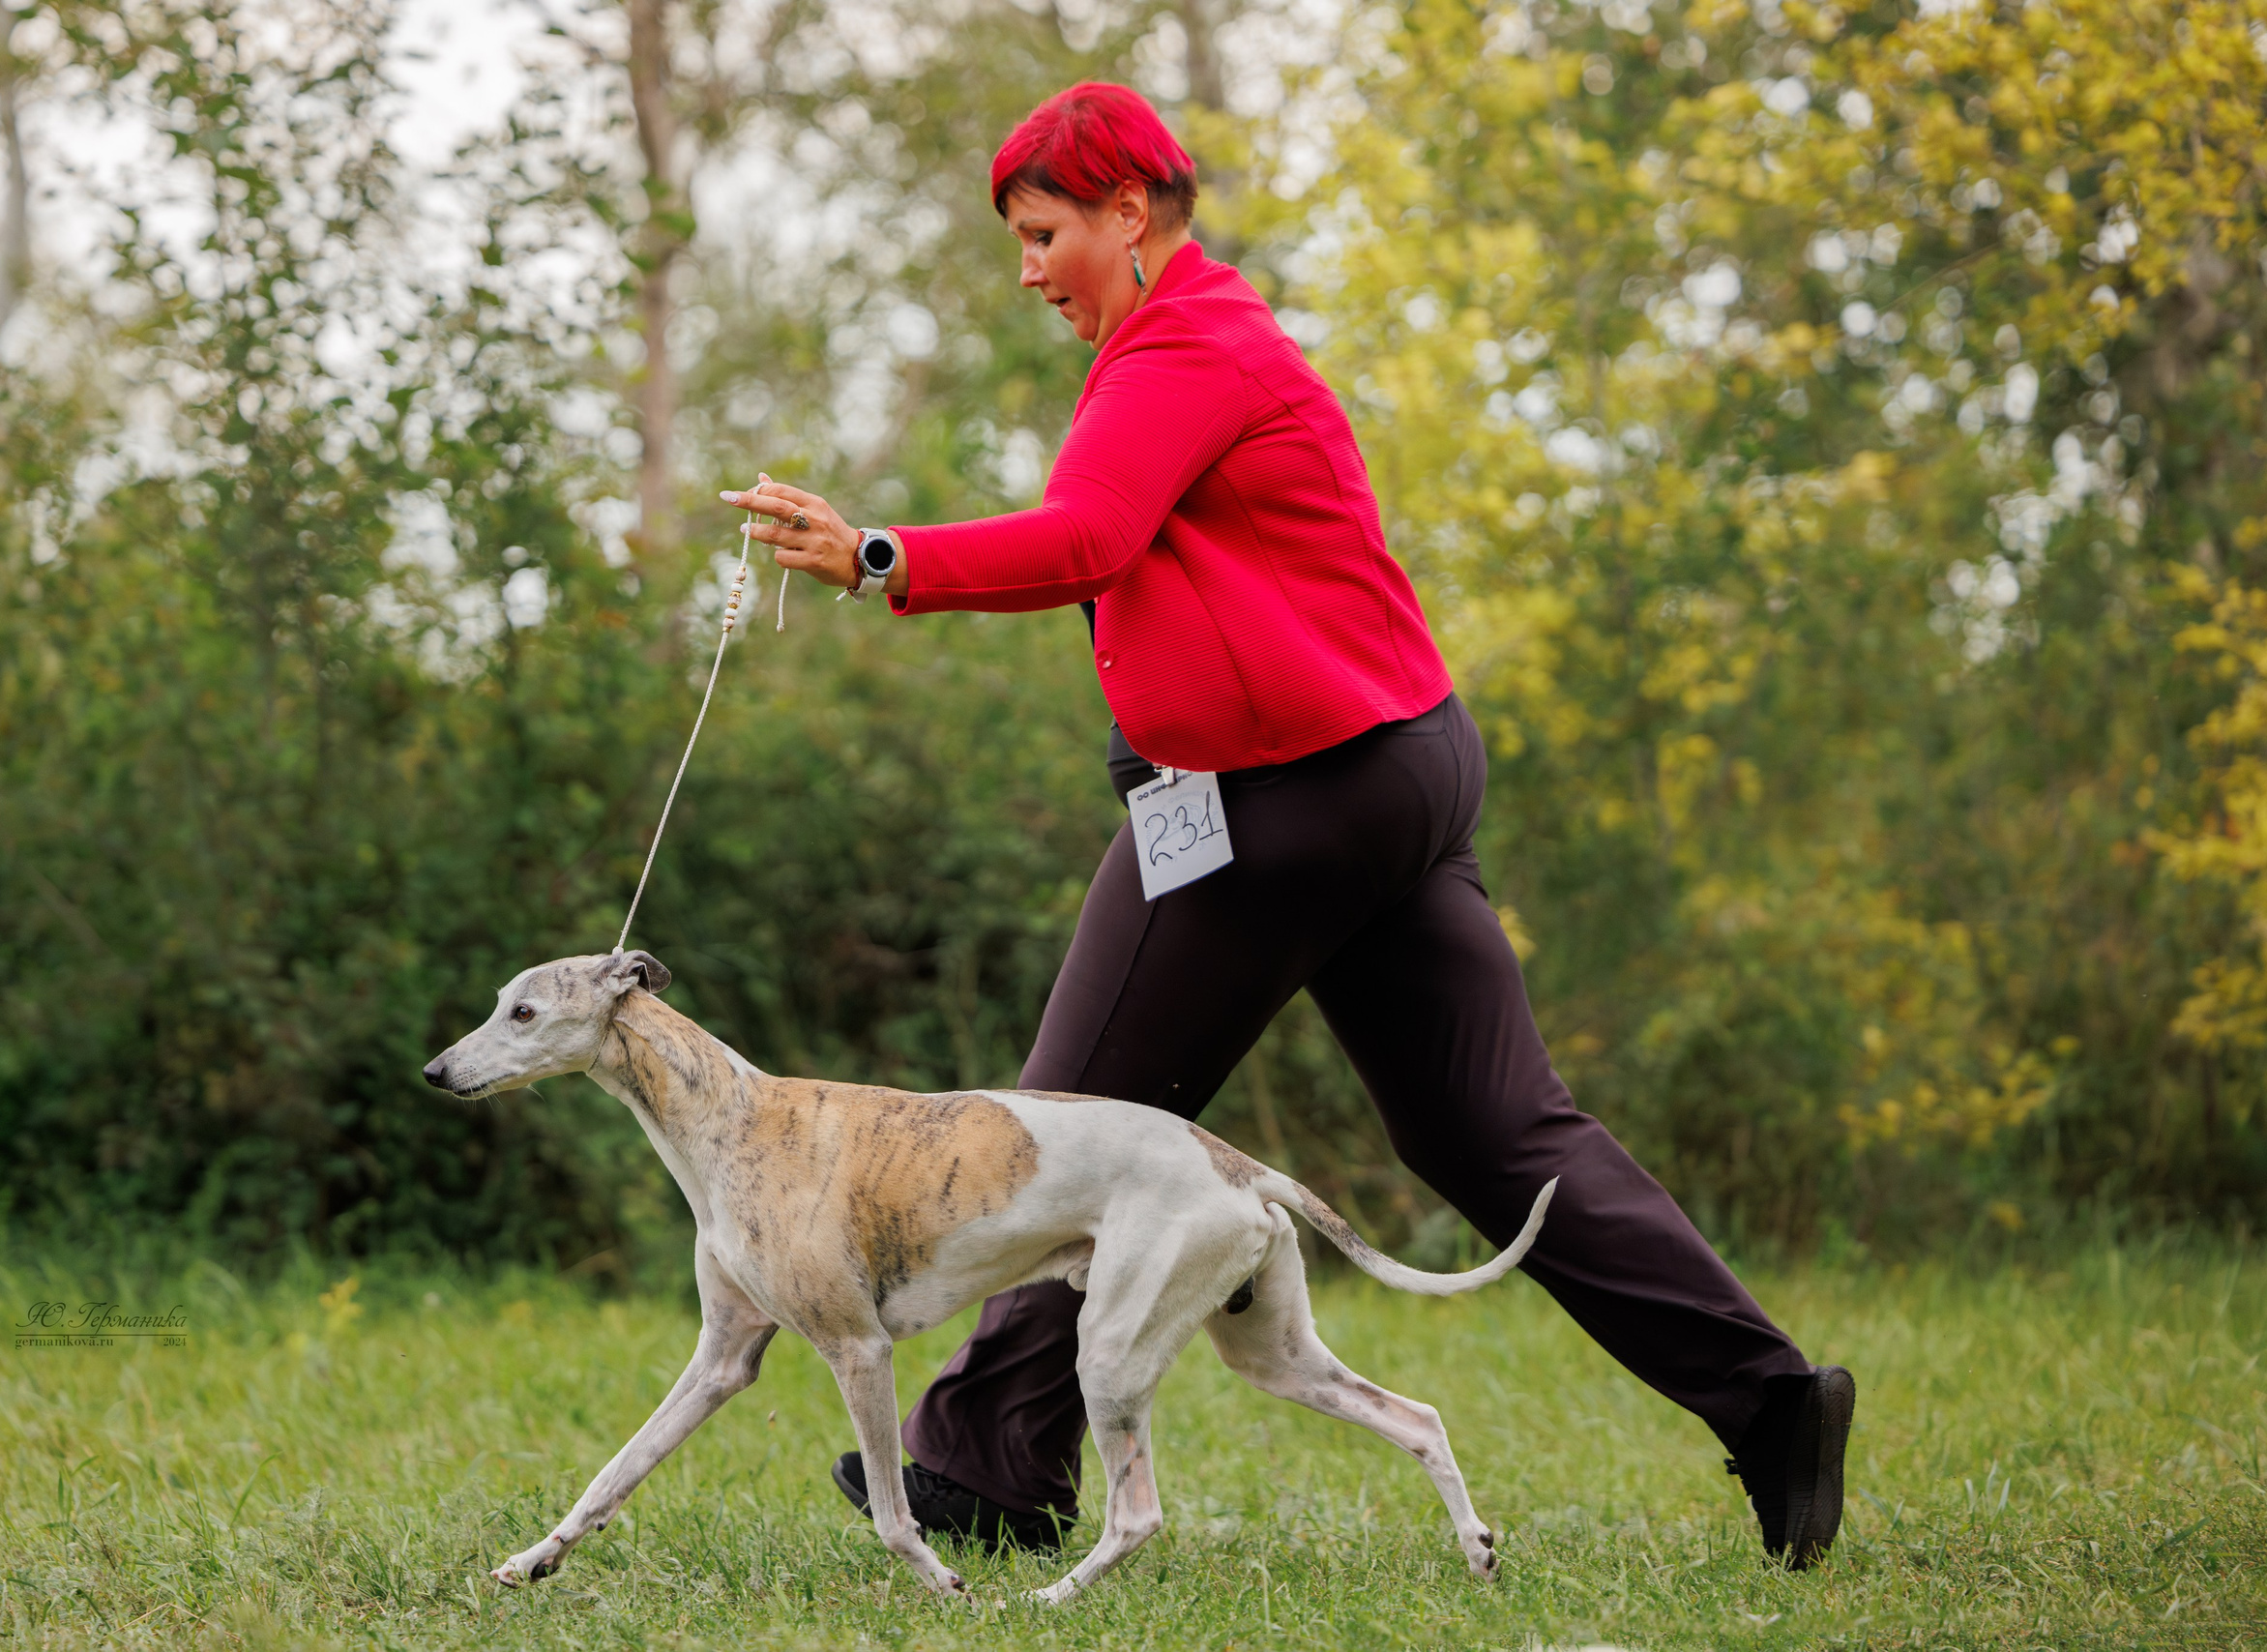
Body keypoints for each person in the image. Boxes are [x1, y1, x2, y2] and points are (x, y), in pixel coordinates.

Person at [726, 81, 1855, 1569]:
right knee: (1494, 1129)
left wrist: (881, 554)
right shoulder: (1208, 334)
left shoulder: (1178, 349)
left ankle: (989, 1467)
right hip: (1395, 771)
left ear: (1129, 212)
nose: (1029, 268)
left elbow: (1087, 539)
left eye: (1044, 232)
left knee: (1060, 1128)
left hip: (1280, 801)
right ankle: (1772, 1403)